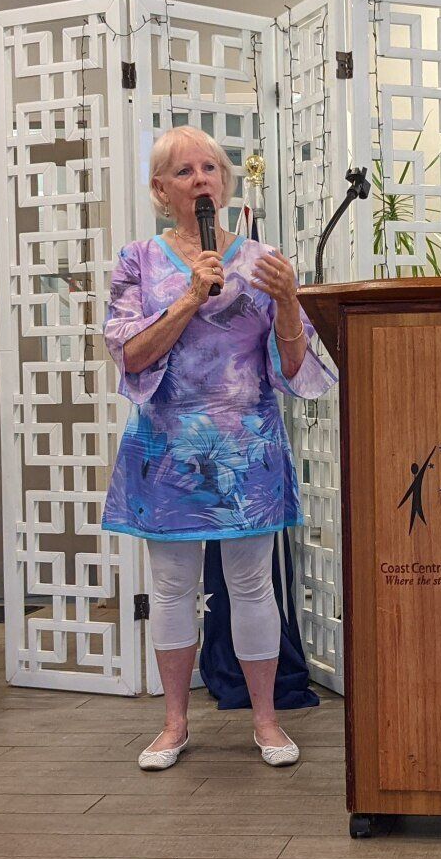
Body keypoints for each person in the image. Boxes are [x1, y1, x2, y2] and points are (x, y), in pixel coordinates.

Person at [103, 125, 333, 771]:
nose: (201, 179)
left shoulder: (263, 260)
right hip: (168, 448)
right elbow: (131, 355)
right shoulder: (138, 261)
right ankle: (174, 723)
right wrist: (186, 297)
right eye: (184, 171)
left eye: (210, 168)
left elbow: (293, 369)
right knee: (172, 589)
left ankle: (266, 721)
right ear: (160, 190)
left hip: (246, 446)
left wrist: (288, 301)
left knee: (252, 584)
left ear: (226, 184)